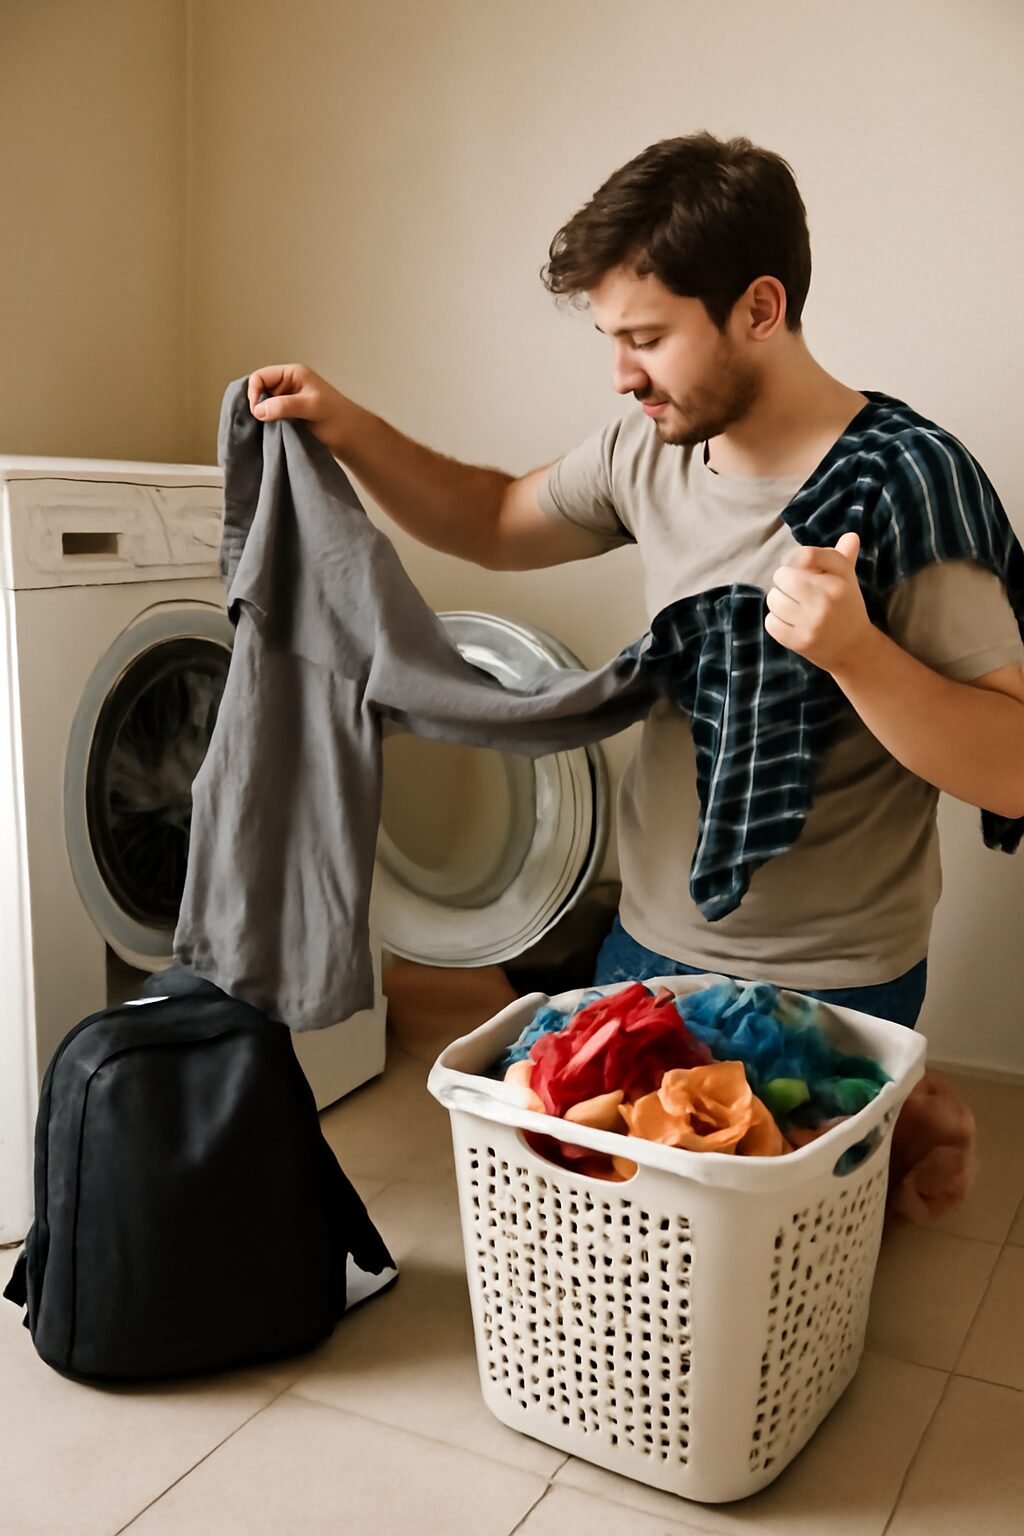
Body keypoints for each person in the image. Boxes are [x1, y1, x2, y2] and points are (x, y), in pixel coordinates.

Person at [247, 131, 1024, 1028]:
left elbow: (1012, 771)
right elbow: (493, 518)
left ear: (760, 308)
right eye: (612, 339)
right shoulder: (650, 449)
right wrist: (344, 425)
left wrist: (856, 654)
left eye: (647, 338)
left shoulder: (908, 482)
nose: (622, 376)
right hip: (642, 949)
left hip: (828, 988)